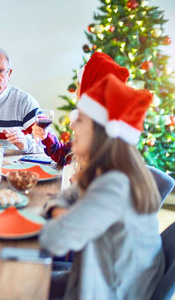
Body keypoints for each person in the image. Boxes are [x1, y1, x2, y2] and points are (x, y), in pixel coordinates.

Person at [39, 74, 164, 299]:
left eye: (81, 119)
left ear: (101, 132)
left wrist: (62, 215)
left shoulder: (115, 185)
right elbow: (66, 196)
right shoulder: (105, 171)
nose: (73, 124)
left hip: (108, 290)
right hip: (98, 278)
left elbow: (53, 240)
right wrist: (64, 212)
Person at [32, 52, 129, 166]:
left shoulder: (103, 135)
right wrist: (46, 136)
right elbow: (64, 155)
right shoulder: (92, 123)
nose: (76, 91)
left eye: (78, 84)